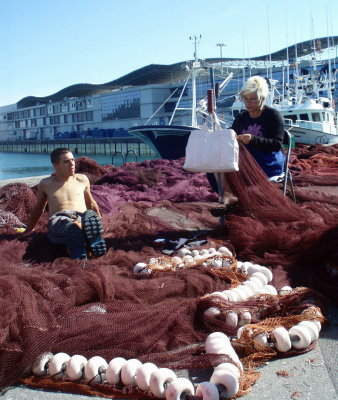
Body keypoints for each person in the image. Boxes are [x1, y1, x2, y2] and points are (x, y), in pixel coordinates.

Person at [209, 75, 285, 213]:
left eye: (253, 99)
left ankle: (230, 196)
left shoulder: (273, 115)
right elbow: (232, 137)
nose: (248, 103)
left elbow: (276, 144)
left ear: (262, 98)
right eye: (245, 99)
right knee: (215, 159)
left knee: (230, 164)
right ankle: (228, 194)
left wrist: (252, 139)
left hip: (267, 160)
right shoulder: (241, 117)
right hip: (245, 157)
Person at [23, 148, 106, 259]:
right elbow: (39, 209)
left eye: (73, 160)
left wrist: (100, 220)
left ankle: (80, 244)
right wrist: (28, 230)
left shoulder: (82, 179)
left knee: (84, 221)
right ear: (55, 165)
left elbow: (90, 202)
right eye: (66, 161)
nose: (72, 164)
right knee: (69, 225)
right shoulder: (46, 183)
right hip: (59, 219)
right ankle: (84, 239)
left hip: (81, 217)